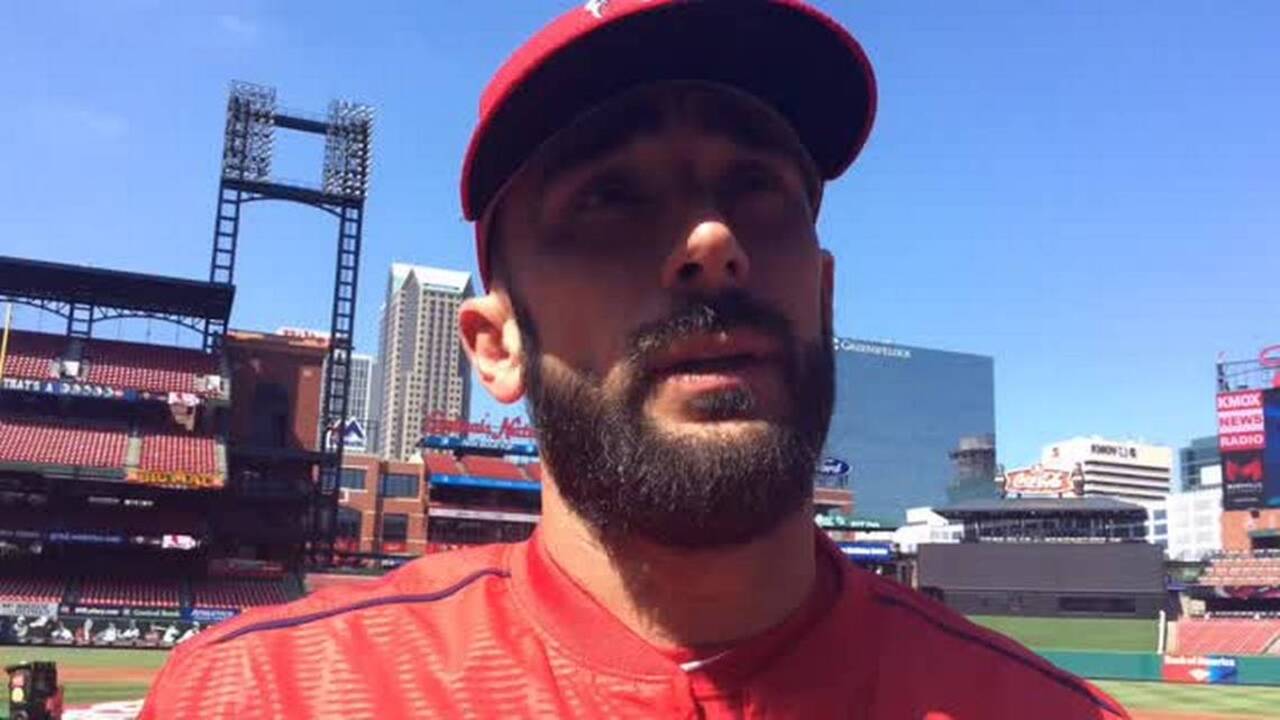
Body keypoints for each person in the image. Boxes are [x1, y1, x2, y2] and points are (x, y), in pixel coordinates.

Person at [142, 2, 1128, 718]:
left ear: (821, 299)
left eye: (757, 186)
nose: (710, 238)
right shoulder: (262, 698)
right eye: (608, 197)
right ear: (497, 344)